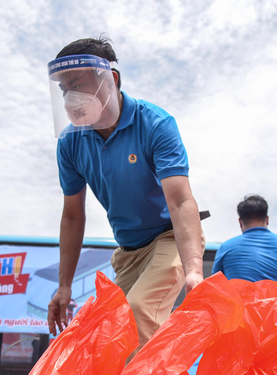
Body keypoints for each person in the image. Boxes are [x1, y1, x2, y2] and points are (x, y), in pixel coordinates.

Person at [46, 36, 205, 357]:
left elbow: (180, 201)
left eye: (77, 84)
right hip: (128, 252)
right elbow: (72, 215)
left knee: (136, 316)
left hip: (168, 239)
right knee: (101, 333)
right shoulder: (70, 144)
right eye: (64, 90)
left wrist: (194, 269)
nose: (70, 98)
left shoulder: (155, 124)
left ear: (111, 79)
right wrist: (64, 285)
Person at [212, 195, 277, 296]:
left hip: (240, 313)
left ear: (240, 221)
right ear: (267, 219)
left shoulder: (225, 248)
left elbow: (215, 289)